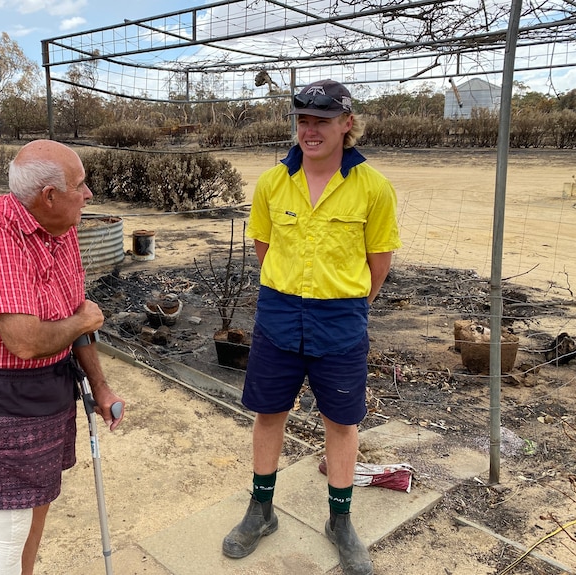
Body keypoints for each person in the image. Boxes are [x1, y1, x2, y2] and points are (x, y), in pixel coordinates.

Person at [221, 79, 401, 575]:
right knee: (268, 412)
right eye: (302, 119)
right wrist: (290, 291)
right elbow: (265, 249)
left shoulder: (374, 188)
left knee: (341, 423)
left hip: (340, 319)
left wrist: (342, 302)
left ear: (347, 123)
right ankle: (261, 512)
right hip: (279, 312)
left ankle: (340, 522)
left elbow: (378, 263)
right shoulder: (272, 183)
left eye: (321, 120)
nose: (310, 130)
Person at [0, 139, 124, 575]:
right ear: (49, 196)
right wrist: (81, 324)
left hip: (47, 382)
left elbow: (75, 315)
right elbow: (23, 341)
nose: (89, 194)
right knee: (9, 521)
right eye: (80, 185)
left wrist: (99, 385)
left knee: (38, 499)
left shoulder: (62, 231)